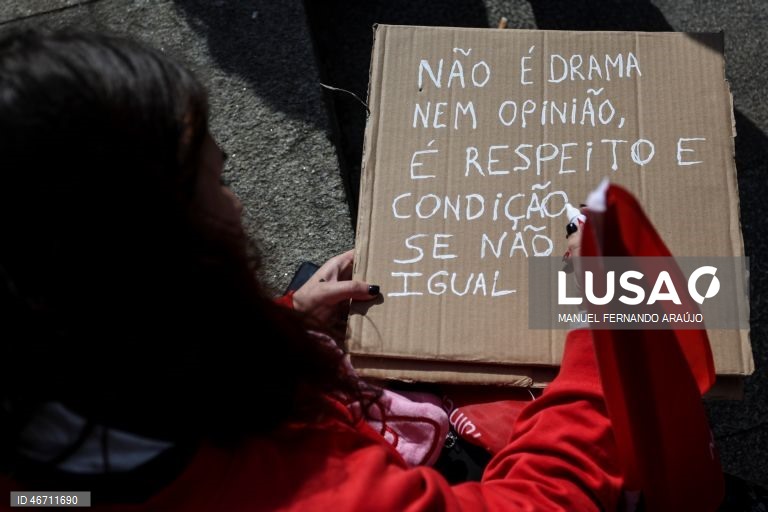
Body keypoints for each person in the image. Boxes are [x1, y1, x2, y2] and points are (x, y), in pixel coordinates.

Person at [0, 29, 628, 510]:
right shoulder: (310, 492)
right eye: (213, 184)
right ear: (150, 262)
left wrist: (286, 320)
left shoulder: (44, 450)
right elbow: (537, 503)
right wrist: (612, 319)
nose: (238, 205)